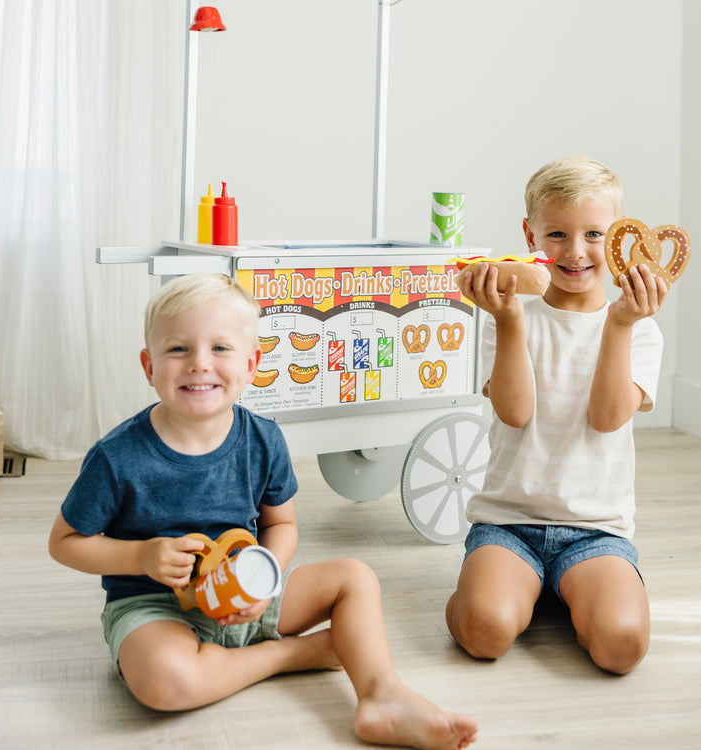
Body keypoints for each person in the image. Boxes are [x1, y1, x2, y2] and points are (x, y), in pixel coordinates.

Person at [49, 273, 478, 750]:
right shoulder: (117, 457)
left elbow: (282, 524)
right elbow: (64, 542)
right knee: (164, 682)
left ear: (252, 364)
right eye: (178, 350)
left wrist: (267, 577)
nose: (199, 364)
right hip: (155, 606)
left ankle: (382, 695)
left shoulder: (263, 439)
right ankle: (291, 655)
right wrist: (141, 558)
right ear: (149, 366)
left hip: (247, 593)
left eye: (220, 349)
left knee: (356, 576)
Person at [446, 156, 667, 675]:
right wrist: (506, 321)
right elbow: (515, 413)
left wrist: (619, 325)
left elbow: (608, 417)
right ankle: (503, 587)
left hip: (597, 531)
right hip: (509, 522)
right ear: (529, 234)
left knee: (622, 646)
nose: (574, 251)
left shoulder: (641, 330)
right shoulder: (508, 314)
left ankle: (573, 589)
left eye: (594, 234)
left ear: (619, 240)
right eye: (557, 233)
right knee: (484, 632)